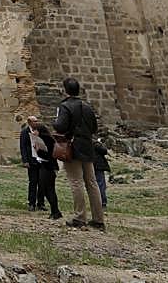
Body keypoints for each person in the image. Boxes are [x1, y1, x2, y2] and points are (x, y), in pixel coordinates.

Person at [53, 77, 105, 230]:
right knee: (92, 183)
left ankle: (80, 216)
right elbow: (94, 128)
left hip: (73, 147)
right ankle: (98, 218)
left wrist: (54, 123)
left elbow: (61, 126)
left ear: (65, 90)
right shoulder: (87, 107)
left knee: (76, 182)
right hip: (87, 147)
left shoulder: (66, 106)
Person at [34, 123, 62, 219]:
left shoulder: (48, 140)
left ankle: (56, 211)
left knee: (50, 189)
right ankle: (54, 211)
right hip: (44, 165)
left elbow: (49, 155)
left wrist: (39, 150)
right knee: (45, 189)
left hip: (49, 167)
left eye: (36, 130)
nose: (34, 132)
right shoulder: (41, 140)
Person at [20, 115, 45, 211]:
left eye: (37, 121)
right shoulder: (25, 132)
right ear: (29, 122)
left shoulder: (40, 131)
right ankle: (31, 203)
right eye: (35, 121)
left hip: (41, 160)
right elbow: (23, 147)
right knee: (33, 182)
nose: (36, 123)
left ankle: (41, 203)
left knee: (42, 182)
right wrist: (25, 160)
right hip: (31, 160)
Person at [93, 138, 111, 210]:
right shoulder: (95, 143)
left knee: (93, 185)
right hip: (98, 166)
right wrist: (100, 143)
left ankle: (96, 203)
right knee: (101, 185)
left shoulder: (84, 142)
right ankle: (103, 203)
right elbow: (104, 151)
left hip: (89, 165)